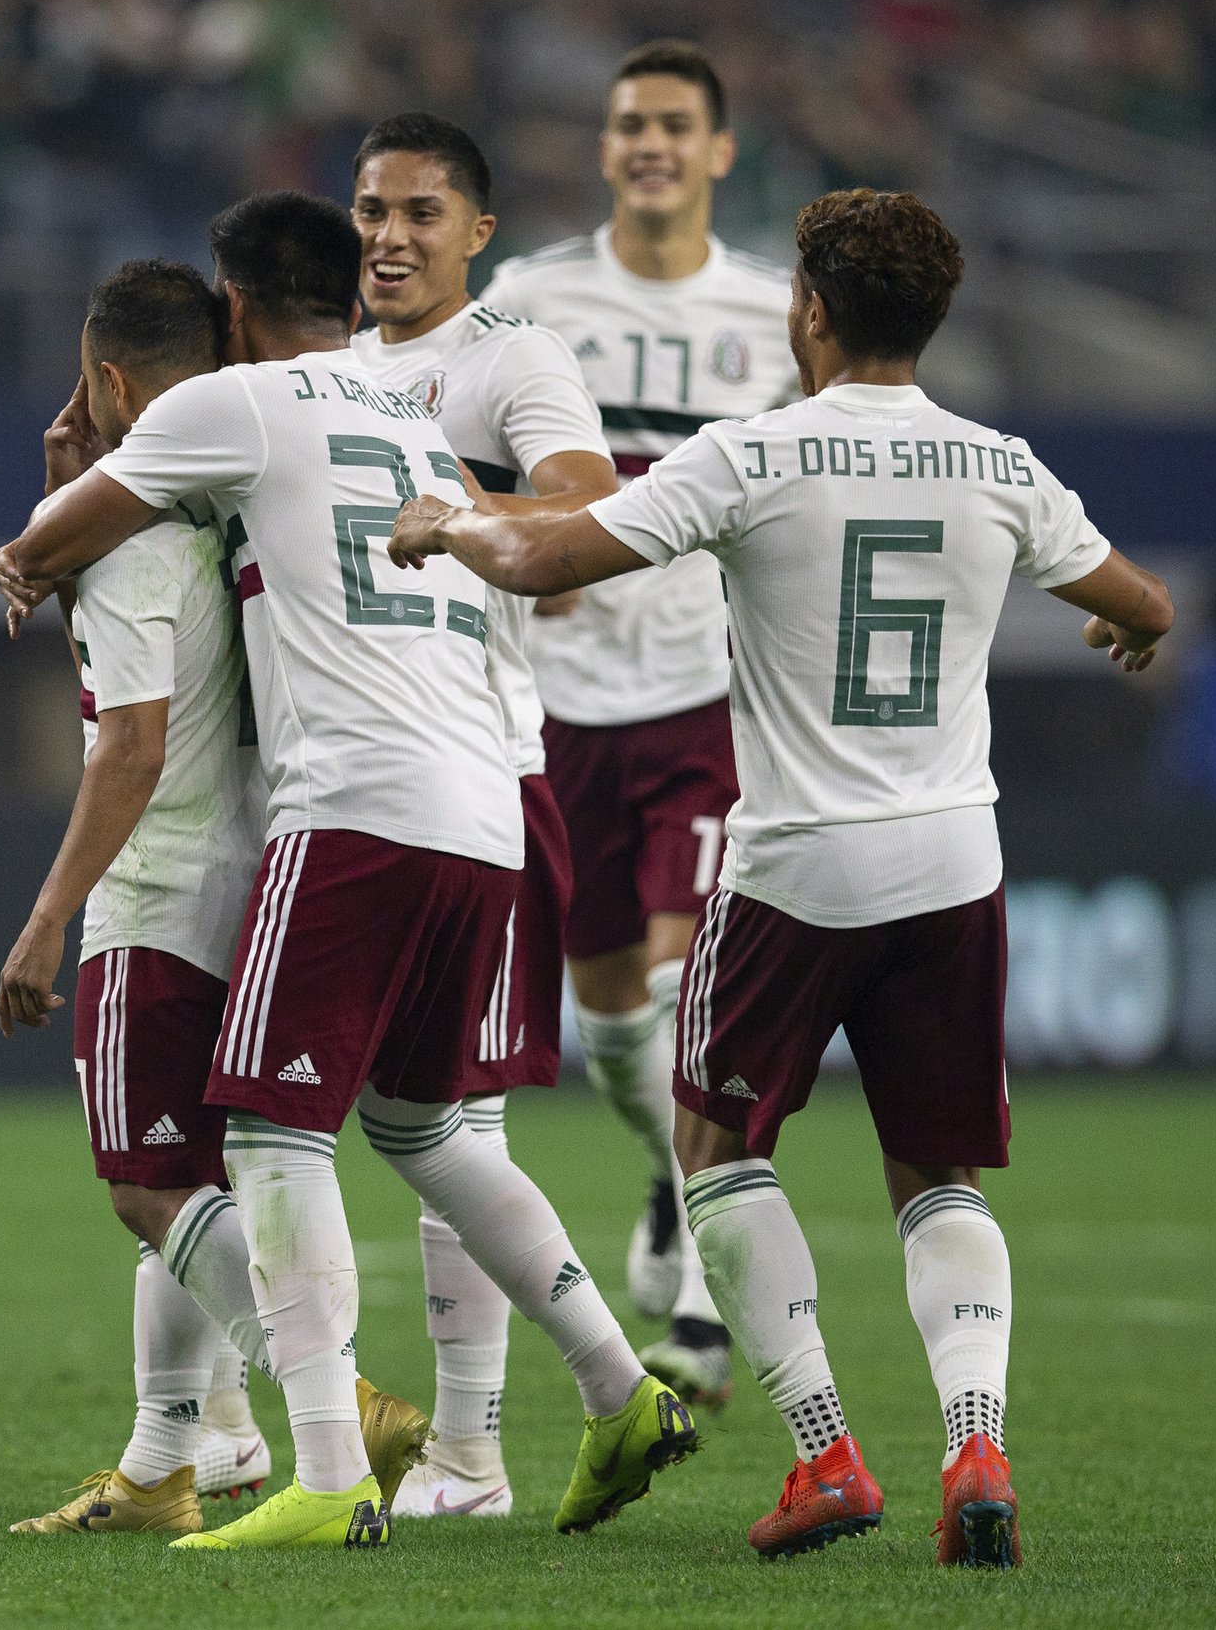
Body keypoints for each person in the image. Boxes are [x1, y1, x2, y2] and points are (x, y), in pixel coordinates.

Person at [389, 187, 1174, 1568]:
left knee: (714, 1149)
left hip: (799, 867)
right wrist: (1127, 631)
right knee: (937, 1173)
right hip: (953, 863)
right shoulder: (998, 464)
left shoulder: (751, 455)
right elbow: (1141, 602)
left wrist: (448, 521)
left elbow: (547, 554)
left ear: (807, 311)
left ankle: (825, 1455)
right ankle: (975, 1448)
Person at [0, 190, 698, 1551]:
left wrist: (40, 537)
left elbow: (42, 546)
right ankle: (619, 1389)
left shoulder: (238, 402)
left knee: (263, 1135)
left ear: (235, 305)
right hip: (488, 802)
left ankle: (325, 1468)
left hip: (353, 807)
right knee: (427, 1130)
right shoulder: (415, 414)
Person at [480, 39, 802, 1407]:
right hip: (559, 708)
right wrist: (512, 546)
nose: (651, 144)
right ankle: (671, 1179)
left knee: (680, 994)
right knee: (610, 1023)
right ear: (604, 150)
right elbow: (466, 451)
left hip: (703, 701)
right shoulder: (531, 297)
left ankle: (697, 1283)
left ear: (718, 151)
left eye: (675, 124)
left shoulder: (775, 313)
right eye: (629, 125)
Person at [348, 112, 618, 1520]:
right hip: (351, 778)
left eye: (421, 213)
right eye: (371, 210)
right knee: (408, 1120)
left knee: (446, 1122)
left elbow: (585, 504)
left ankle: (476, 1450)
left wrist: (451, 501)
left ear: (478, 232)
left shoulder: (512, 355)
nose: (390, 237)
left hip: (482, 774)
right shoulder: (334, 368)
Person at [0, 260, 270, 1535]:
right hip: (252, 868)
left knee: (146, 1188)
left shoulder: (125, 542)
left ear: (106, 381)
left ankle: (331, 1397)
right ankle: (175, 1457)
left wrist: (48, 916)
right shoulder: (229, 505)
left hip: (155, 885)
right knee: (189, 1181)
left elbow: (129, 744)